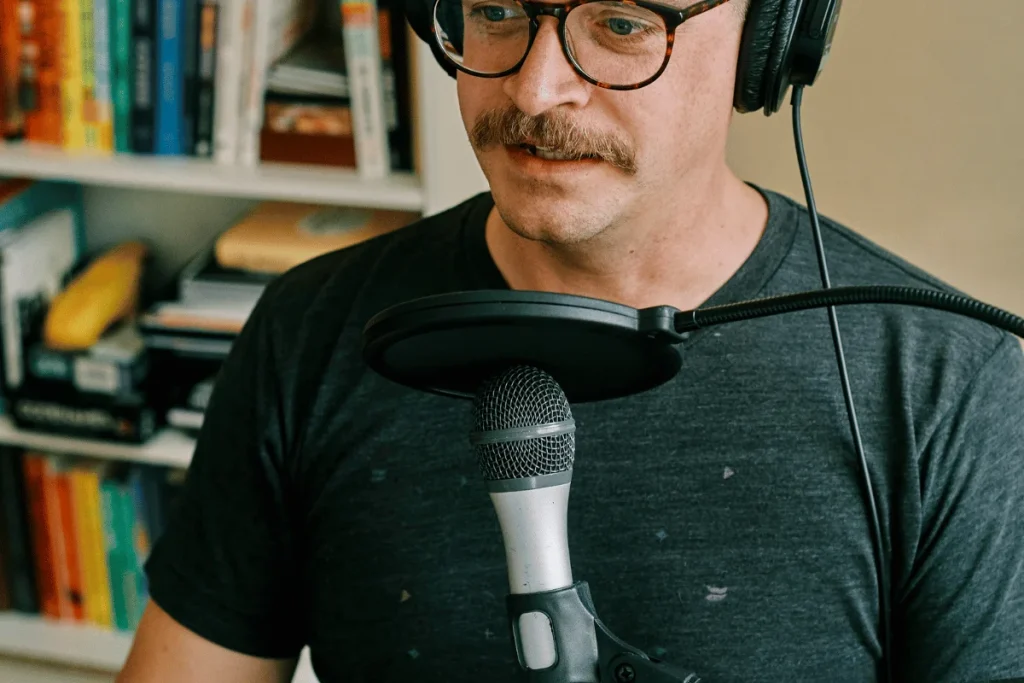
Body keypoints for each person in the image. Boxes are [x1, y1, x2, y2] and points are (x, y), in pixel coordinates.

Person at [116, 0, 1024, 681]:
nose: (534, 88)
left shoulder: (952, 387)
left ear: (770, 42)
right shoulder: (308, 331)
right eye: (498, 11)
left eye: (623, 22)